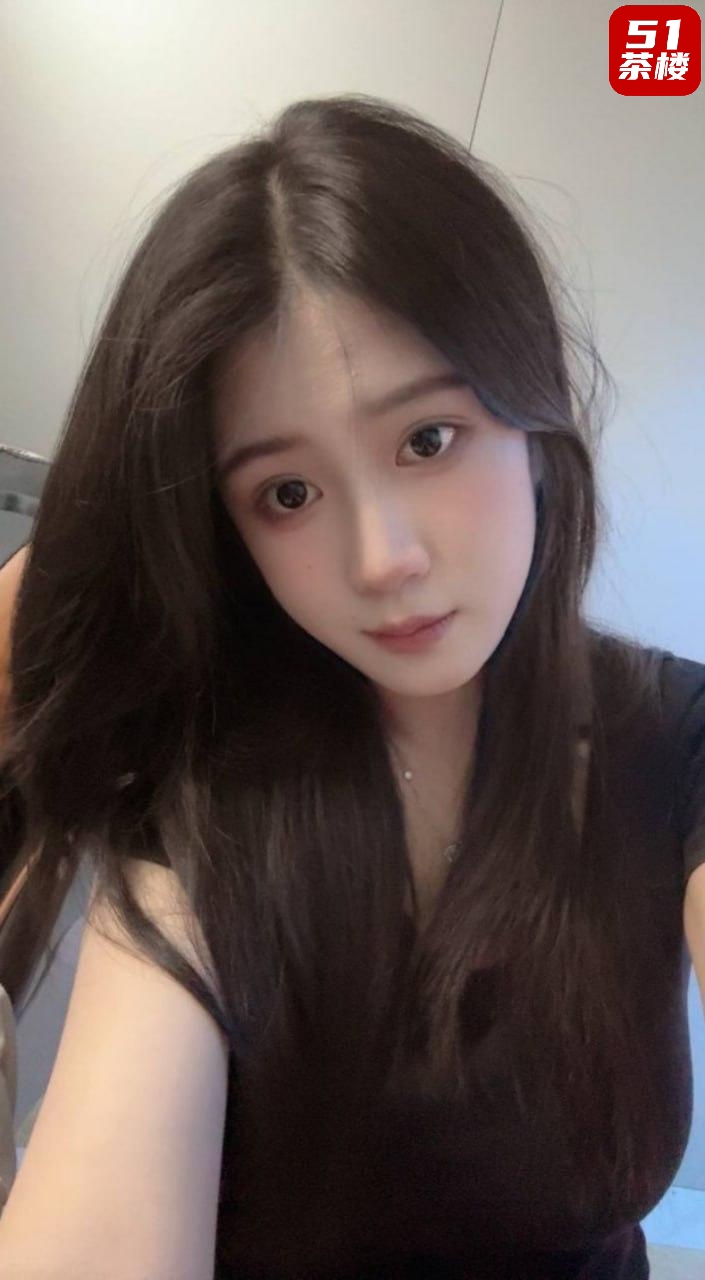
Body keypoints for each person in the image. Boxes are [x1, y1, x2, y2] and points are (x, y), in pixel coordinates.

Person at [0, 92, 702, 1280]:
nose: (382, 559)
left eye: (427, 439)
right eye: (288, 493)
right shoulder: (211, 790)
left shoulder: (673, 738)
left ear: (533, 411)